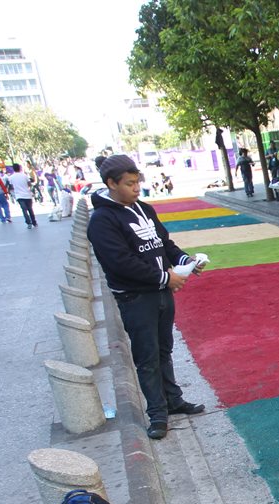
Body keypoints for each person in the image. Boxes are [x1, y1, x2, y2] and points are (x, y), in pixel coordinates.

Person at [86, 155, 206, 439]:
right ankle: (157, 414)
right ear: (111, 183)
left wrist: (185, 260)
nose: (136, 188)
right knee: (147, 356)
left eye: (137, 182)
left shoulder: (144, 209)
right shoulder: (102, 220)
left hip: (162, 293)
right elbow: (121, 262)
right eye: (129, 184)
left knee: (164, 349)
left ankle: (173, 400)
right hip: (136, 297)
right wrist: (165, 277)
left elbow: (163, 243)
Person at [5, 164, 38, 228]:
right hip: (27, 194)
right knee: (30, 209)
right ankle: (34, 222)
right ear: (19, 168)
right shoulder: (24, 176)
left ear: (13, 169)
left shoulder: (11, 177)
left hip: (19, 196)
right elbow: (29, 184)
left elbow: (11, 186)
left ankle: (28, 223)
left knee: (24, 210)